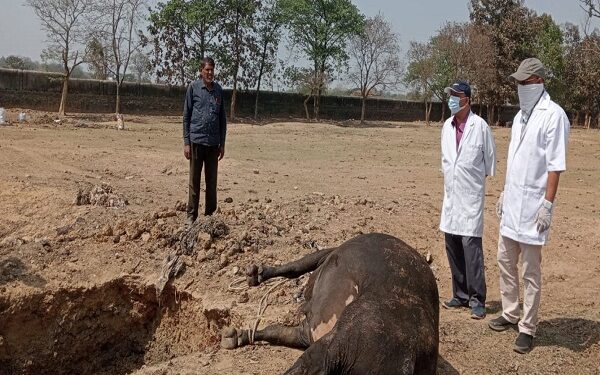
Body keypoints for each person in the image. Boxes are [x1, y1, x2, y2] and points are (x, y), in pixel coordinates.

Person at [488, 58, 570, 354]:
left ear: (538, 81)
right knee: (504, 261)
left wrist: (547, 204)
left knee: (529, 271)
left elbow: (555, 166)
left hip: (535, 207)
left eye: (524, 83)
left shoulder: (554, 116)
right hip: (512, 204)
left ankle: (527, 326)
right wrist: (504, 193)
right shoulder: (521, 117)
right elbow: (515, 162)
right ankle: (510, 312)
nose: (519, 87)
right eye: (517, 83)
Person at [439, 80, 496, 320]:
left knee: (471, 251)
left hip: (471, 198)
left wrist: (471, 182)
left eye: (456, 95)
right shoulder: (446, 127)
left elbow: (489, 163)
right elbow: (445, 161)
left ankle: (477, 300)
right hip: (451, 198)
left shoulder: (480, 126)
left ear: (467, 100)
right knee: (452, 246)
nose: (451, 98)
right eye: (450, 94)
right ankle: (460, 295)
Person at [183, 57, 227, 226]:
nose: (210, 73)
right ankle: (191, 216)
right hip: (196, 142)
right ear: (201, 71)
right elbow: (186, 116)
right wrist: (187, 142)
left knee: (212, 182)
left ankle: (209, 216)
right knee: (194, 181)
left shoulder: (218, 90)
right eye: (207, 70)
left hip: (213, 144)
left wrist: (222, 143)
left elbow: (222, 119)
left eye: (212, 70)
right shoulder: (193, 88)